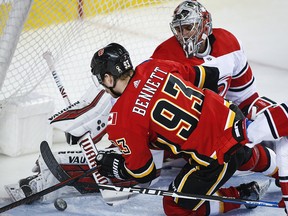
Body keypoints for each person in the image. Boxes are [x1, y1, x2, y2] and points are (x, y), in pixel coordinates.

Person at [90, 42, 277, 215]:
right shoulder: (152, 65)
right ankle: (282, 171)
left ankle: (241, 194)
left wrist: (118, 168)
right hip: (232, 117)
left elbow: (143, 173)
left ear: (108, 78)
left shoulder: (120, 120)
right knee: (240, 152)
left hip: (214, 153)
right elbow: (206, 76)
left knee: (174, 206)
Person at [150, 0, 288, 213]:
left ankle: (279, 171)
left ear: (205, 26)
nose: (183, 35)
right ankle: (247, 188)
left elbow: (246, 98)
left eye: (188, 27)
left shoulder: (229, 44)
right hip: (188, 137)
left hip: (219, 126)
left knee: (269, 125)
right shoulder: (164, 57)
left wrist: (264, 116)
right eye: (178, 29)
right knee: (238, 151)